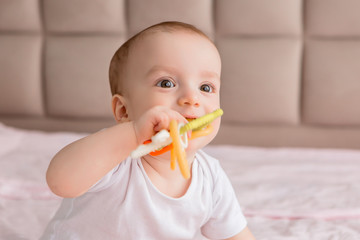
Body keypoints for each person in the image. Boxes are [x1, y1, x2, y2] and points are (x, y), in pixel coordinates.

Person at [41, 21, 256, 240]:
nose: (192, 98)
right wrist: (134, 134)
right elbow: (60, 182)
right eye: (166, 83)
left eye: (206, 87)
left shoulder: (210, 177)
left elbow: (236, 235)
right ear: (124, 111)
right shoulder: (115, 158)